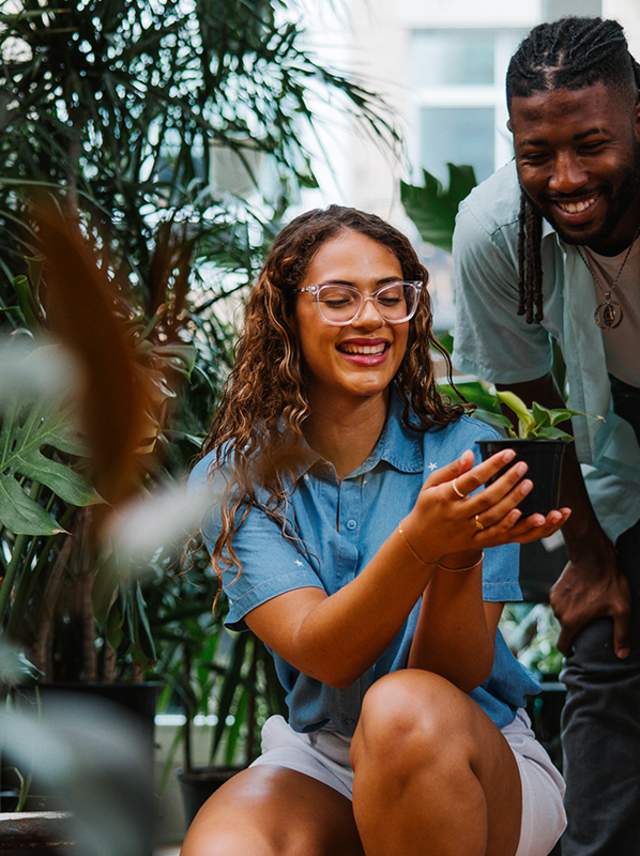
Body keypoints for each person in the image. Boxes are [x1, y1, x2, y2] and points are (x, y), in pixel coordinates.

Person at [183, 205, 567, 856]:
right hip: (325, 754)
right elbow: (325, 651)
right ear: (285, 313)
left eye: (392, 297)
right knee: (227, 846)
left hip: (472, 747)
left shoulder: (472, 452)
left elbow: (454, 671)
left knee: (401, 712)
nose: (370, 319)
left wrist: (454, 557)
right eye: (338, 299)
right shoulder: (234, 479)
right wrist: (420, 543)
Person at [452, 15, 640, 855]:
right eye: (538, 154)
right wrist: (592, 562)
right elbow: (529, 406)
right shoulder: (496, 228)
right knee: (606, 647)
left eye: (590, 144)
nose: (564, 177)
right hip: (613, 446)